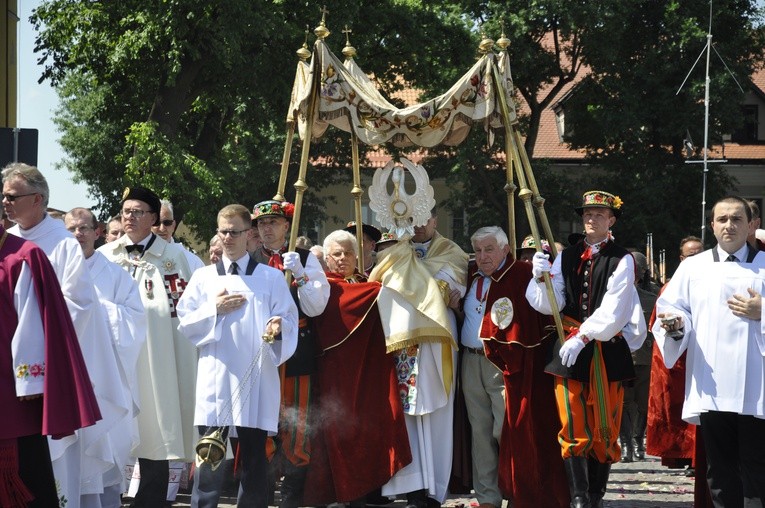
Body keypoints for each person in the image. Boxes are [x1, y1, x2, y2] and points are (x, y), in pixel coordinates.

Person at [3, 163, 131, 507]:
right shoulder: (9, 241)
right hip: (9, 359)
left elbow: (80, 303)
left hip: (48, 363)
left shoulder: (62, 243)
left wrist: (33, 336)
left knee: (52, 458)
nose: (6, 203)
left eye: (13, 196)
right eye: (3, 196)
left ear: (38, 199)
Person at [526, 190, 646, 508]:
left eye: (598, 214)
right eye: (587, 214)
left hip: (605, 349)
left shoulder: (623, 259)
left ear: (611, 220)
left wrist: (585, 336)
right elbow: (550, 304)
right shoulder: (567, 256)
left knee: (605, 425)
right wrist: (540, 278)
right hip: (568, 348)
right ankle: (579, 497)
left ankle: (596, 495)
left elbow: (615, 308)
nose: (591, 219)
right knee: (572, 419)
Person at [176, 204, 298, 507]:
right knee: (209, 453)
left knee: (254, 456)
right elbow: (185, 321)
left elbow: (289, 318)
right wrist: (213, 309)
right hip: (216, 375)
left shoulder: (269, 278)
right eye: (223, 231)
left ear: (249, 235)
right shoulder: (204, 278)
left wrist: (279, 325)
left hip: (254, 377)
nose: (228, 238)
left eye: (234, 232)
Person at [654, 195, 765, 507]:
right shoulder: (693, 267)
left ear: (752, 225)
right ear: (712, 226)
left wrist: (763, 310)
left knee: (757, 469)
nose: (729, 225)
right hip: (712, 382)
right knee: (719, 469)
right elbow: (672, 310)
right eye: (722, 219)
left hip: (758, 386)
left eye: (737, 219)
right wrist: (675, 325)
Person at [98, 186, 197, 506]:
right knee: (110, 428)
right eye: (126, 211)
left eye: (137, 211)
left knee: (156, 427)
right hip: (114, 358)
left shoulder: (173, 258)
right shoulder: (105, 256)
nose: (129, 217)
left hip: (157, 360)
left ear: (154, 218)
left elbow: (183, 311)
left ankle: (152, 499)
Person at [459, 227, 568, 508]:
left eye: (489, 249)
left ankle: (516, 489)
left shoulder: (522, 274)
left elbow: (538, 314)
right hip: (470, 361)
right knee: (480, 433)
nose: (482, 256)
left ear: (506, 249)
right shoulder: (470, 275)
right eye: (478, 250)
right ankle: (488, 498)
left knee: (505, 429)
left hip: (504, 363)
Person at [303, 230, 412, 505]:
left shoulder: (367, 282)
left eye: (348, 253)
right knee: (338, 428)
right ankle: (340, 490)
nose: (342, 259)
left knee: (371, 428)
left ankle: (370, 489)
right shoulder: (325, 287)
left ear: (357, 256)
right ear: (327, 259)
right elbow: (344, 302)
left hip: (371, 373)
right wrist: (376, 290)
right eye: (336, 254)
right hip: (336, 375)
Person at [371, 208, 468, 507]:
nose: (419, 225)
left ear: (436, 220)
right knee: (408, 415)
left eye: (425, 218)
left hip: (437, 340)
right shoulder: (393, 252)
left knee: (438, 414)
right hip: (402, 341)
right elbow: (378, 284)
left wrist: (408, 272)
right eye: (412, 220)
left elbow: (446, 288)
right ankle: (413, 488)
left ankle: (435, 490)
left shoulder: (451, 251)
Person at [0, 223, 100, 507]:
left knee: (25, 485)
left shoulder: (22, 256)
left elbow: (32, 324)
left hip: (11, 396)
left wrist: (28, 382)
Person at [65, 207, 148, 507]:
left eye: (84, 228)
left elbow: (136, 321)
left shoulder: (116, 275)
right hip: (65, 377)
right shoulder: (53, 271)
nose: (78, 234)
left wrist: (95, 308)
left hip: (105, 381)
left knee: (103, 451)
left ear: (97, 232)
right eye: (71, 229)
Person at [251, 199, 329, 507]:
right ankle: (263, 489)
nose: (267, 228)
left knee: (298, 426)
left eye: (273, 223)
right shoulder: (249, 259)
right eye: (261, 224)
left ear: (287, 226)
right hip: (261, 351)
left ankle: (293, 495)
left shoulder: (306, 258)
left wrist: (300, 274)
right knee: (263, 422)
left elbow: (316, 306)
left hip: (297, 352)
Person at [646, 236, 702, 471]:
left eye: (700, 253)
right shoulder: (670, 287)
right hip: (676, 358)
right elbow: (658, 324)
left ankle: (697, 456)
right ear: (681, 259)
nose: (696, 259)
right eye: (691, 255)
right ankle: (680, 454)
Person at [619, 251, 658, 463]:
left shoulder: (652, 299)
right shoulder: (613, 297)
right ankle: (625, 443)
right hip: (621, 357)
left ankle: (637, 440)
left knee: (642, 403)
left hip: (644, 357)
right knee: (624, 402)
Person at [152, 199, 205, 272]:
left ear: (173, 226)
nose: (162, 228)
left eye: (167, 223)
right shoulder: (137, 259)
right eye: (157, 223)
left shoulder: (192, 262)